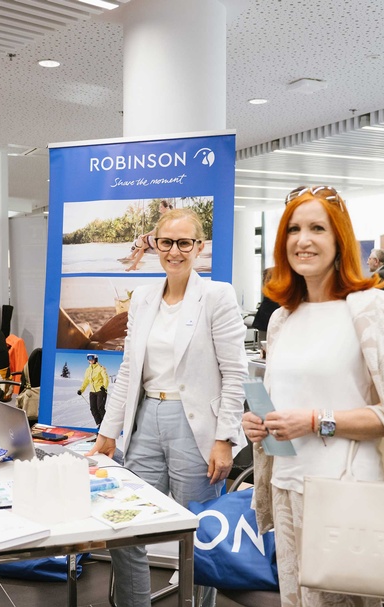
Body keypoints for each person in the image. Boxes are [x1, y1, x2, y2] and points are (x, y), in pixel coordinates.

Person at [241, 185, 384, 607]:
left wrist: (317, 420)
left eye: (317, 228)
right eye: (294, 229)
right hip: (286, 486)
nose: (303, 240)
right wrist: (260, 424)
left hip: (345, 493)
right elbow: (288, 399)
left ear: (339, 240)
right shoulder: (283, 318)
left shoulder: (373, 309)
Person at [88, 208, 248, 607]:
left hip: (195, 429)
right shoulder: (143, 298)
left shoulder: (217, 296)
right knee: (126, 525)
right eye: (165, 242)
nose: (173, 251)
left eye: (183, 243)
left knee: (197, 535)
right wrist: (108, 432)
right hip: (145, 421)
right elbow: (127, 370)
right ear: (154, 244)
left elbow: (234, 372)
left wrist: (224, 438)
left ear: (198, 247)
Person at [125, 199, 171, 271]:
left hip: (162, 240)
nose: (159, 209)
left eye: (161, 207)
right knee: (143, 247)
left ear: (166, 207)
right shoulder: (168, 215)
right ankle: (134, 265)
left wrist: (144, 235)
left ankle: (132, 256)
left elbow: (155, 230)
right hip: (162, 238)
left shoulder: (165, 217)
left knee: (142, 239)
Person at [78, 353, 110, 425]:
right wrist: (81, 390)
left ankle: (106, 425)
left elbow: (106, 378)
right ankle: (99, 424)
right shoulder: (88, 370)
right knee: (93, 409)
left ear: (95, 359)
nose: (90, 360)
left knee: (100, 408)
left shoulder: (100, 368)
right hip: (92, 392)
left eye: (92, 358)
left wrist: (104, 387)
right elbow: (86, 381)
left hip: (100, 391)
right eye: (89, 359)